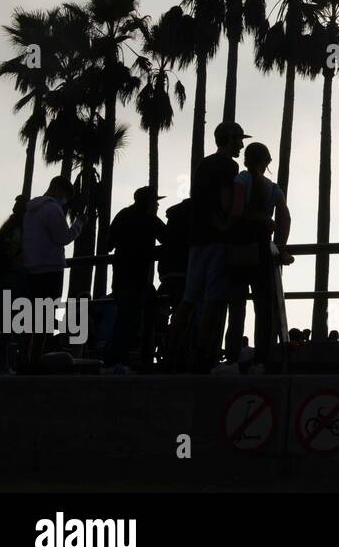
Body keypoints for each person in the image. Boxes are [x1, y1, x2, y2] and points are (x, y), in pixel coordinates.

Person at [168, 121, 247, 373]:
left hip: (197, 239)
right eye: (238, 140)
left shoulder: (203, 164)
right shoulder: (229, 165)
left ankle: (171, 353)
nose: (241, 145)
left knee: (188, 299)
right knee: (213, 301)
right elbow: (225, 201)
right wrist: (229, 224)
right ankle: (202, 357)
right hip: (217, 239)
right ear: (230, 139)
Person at [222, 142, 291, 372]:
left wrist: (224, 230)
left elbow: (238, 210)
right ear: (267, 161)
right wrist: (280, 246)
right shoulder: (274, 188)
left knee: (237, 306)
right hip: (263, 250)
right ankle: (261, 359)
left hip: (240, 248)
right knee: (263, 308)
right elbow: (285, 218)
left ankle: (232, 358)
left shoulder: (242, 179)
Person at [21, 176, 86, 367]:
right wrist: (78, 224)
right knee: (44, 319)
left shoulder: (30, 211)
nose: (65, 199)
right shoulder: (52, 209)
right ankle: (34, 361)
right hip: (50, 270)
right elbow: (63, 237)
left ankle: (24, 359)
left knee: (31, 318)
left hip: (33, 269)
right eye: (66, 195)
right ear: (58, 189)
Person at [102, 187, 167, 372]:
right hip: (138, 280)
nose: (158, 204)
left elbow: (108, 244)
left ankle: (113, 360)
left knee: (124, 319)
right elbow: (167, 237)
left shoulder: (123, 215)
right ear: (148, 203)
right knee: (130, 321)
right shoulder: (150, 220)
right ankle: (116, 362)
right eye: (155, 201)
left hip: (121, 277)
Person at [0, 195, 26, 372]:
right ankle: (0, 362)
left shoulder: (8, 229)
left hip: (1, 277)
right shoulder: (22, 231)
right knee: (7, 322)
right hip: (11, 277)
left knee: (4, 320)